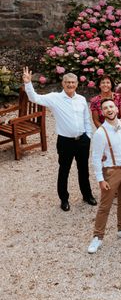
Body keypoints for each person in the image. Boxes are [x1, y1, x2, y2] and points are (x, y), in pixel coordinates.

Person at [23, 67, 96, 211]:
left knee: (83, 169)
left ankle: (87, 195)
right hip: (65, 142)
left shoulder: (81, 99)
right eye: (67, 82)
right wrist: (28, 83)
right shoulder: (54, 98)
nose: (70, 85)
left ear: (76, 84)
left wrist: (88, 136)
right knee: (64, 170)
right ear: (63, 84)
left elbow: (86, 119)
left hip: (82, 140)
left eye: (73, 83)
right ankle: (64, 199)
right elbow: (34, 98)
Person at [87, 98, 121, 254]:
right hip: (111, 172)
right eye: (106, 108)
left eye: (111, 106)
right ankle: (97, 237)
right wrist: (100, 179)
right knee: (104, 206)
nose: (109, 109)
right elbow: (95, 157)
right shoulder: (100, 133)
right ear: (102, 112)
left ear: (116, 108)